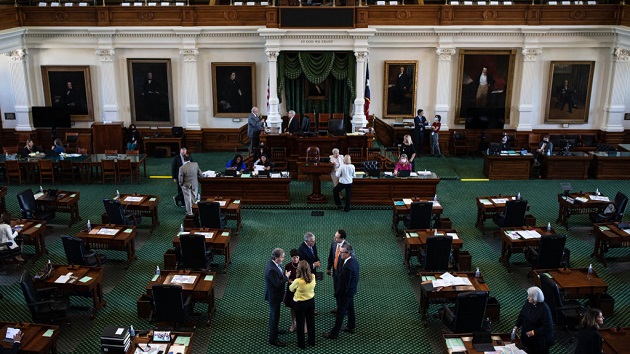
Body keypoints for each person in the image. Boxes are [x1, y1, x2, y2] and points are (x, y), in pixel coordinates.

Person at [323, 243, 359, 339]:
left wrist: (337, 294)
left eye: (342, 252)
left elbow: (344, 285)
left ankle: (334, 333)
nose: (340, 254)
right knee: (350, 308)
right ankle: (351, 326)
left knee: (340, 312)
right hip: (351, 290)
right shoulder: (354, 261)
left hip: (345, 293)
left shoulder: (347, 267)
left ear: (348, 253)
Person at [513, 286, 554, 354]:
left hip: (539, 341)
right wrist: (517, 325)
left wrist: (533, 332)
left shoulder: (544, 309)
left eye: (530, 296)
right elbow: (522, 314)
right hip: (526, 336)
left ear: (536, 298)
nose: (527, 298)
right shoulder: (528, 302)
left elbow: (547, 327)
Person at [265, 248, 290, 347]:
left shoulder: (273, 264)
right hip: (274, 296)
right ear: (276, 258)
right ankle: (273, 339)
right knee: (274, 316)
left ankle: (275, 330)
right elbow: (277, 284)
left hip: (275, 295)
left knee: (275, 315)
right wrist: (286, 277)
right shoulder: (271, 269)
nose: (283, 259)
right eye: (282, 257)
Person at [289, 260, 317, 349]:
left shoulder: (297, 281)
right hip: (311, 302)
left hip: (300, 304)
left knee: (300, 324)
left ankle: (301, 344)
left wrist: (292, 283)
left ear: (299, 270)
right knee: (311, 322)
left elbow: (290, 289)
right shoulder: (313, 276)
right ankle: (312, 341)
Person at [283, 249, 300, 334]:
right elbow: (285, 277)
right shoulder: (288, 266)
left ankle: (302, 323)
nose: (295, 259)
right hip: (291, 289)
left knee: (301, 308)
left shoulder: (302, 265)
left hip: (300, 290)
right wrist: (289, 281)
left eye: (297, 257)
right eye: (294, 257)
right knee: (292, 307)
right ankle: (293, 323)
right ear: (291, 258)